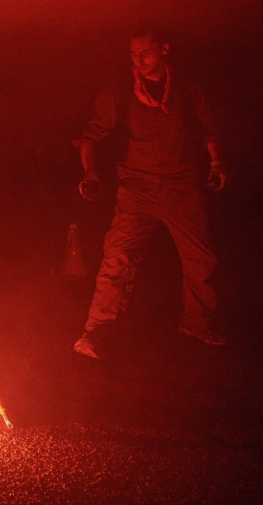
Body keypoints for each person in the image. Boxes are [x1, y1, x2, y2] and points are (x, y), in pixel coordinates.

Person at [72, 27, 228, 359]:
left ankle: (197, 323)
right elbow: (92, 135)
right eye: (133, 54)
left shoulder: (186, 87)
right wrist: (90, 171)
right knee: (117, 259)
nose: (139, 60)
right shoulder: (120, 91)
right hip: (137, 189)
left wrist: (216, 163)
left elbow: (210, 125)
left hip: (181, 186)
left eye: (146, 53)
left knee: (202, 261)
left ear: (164, 50)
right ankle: (97, 331)